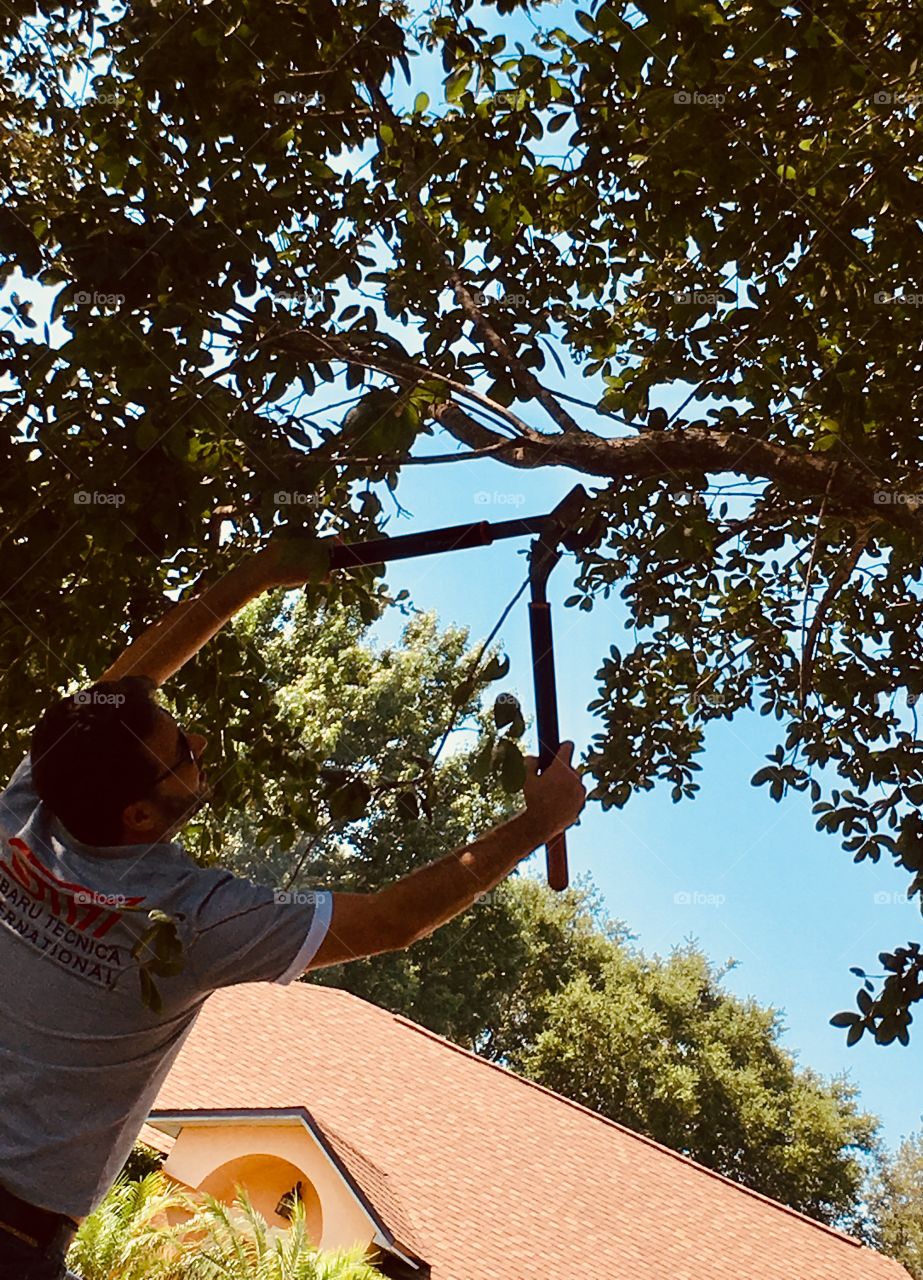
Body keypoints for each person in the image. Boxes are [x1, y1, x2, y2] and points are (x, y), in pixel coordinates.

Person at [0, 535, 587, 1279]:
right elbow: (389, 922)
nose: (200, 740)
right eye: (183, 750)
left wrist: (254, 576)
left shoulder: (30, 801)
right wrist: (535, 825)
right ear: (140, 818)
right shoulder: (194, 920)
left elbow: (121, 691)